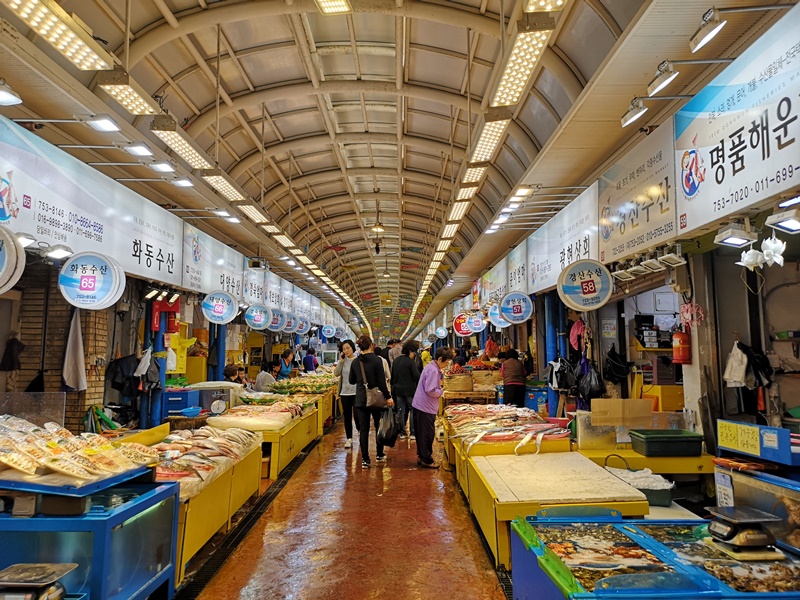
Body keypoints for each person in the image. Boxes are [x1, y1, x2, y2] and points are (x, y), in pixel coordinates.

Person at [349, 335, 393, 468]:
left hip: (361, 399)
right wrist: (388, 396)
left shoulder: (355, 362)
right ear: (371, 345)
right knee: (378, 426)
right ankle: (379, 454)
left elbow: (351, 380)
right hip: (375, 399)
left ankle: (365, 460)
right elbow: (381, 381)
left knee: (364, 429)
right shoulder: (377, 360)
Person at [412, 347, 452, 468]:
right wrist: (440, 392)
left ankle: (421, 456)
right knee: (427, 434)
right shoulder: (433, 370)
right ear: (440, 359)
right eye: (445, 362)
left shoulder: (431, 367)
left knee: (422, 433)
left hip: (421, 405)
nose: (446, 365)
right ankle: (426, 459)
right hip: (425, 406)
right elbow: (430, 390)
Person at [391, 340, 420, 440]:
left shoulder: (396, 361)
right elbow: (417, 376)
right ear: (411, 351)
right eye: (414, 352)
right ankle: (412, 433)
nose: (414, 354)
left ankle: (402, 432)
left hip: (398, 391)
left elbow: (392, 376)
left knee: (400, 411)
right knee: (412, 410)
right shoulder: (410, 362)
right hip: (410, 391)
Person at [334, 340, 358, 448]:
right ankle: (349, 438)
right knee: (347, 417)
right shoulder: (343, 361)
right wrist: (341, 361)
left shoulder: (358, 360)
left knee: (358, 416)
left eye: (348, 348)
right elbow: (336, 373)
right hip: (345, 393)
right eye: (344, 349)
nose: (346, 350)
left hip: (357, 392)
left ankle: (361, 433)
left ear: (352, 348)